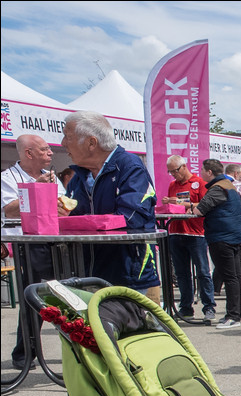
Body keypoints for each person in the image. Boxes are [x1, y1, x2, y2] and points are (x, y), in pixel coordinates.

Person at [62, 110, 160, 302]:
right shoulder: (80, 176)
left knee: (125, 331)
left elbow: (131, 218)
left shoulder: (130, 167)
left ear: (92, 142)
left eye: (68, 136)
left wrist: (80, 222)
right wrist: (63, 215)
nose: (63, 143)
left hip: (126, 274)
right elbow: (73, 216)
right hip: (88, 273)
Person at [3, 133, 68, 369]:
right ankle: (24, 353)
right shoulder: (7, 178)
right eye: (44, 149)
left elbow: (63, 205)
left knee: (64, 296)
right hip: (28, 244)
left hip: (56, 241)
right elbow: (9, 210)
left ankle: (73, 348)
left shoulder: (51, 177)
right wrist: (35, 190)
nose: (50, 153)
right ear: (29, 153)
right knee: (34, 298)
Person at [190, 159, 241, 330]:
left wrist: (191, 207)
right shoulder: (230, 185)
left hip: (221, 237)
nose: (200, 172)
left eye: (202, 170)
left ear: (209, 172)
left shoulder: (217, 188)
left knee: (230, 277)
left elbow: (199, 210)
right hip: (235, 235)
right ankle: (239, 313)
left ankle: (232, 316)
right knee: (236, 277)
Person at [165, 156, 215, 321]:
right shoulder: (172, 185)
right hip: (176, 232)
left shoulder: (199, 183)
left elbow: (204, 204)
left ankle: (209, 307)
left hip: (195, 233)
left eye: (175, 171)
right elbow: (173, 207)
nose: (173, 174)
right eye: (170, 171)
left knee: (202, 271)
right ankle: (186, 307)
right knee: (182, 273)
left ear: (183, 167)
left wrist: (179, 202)